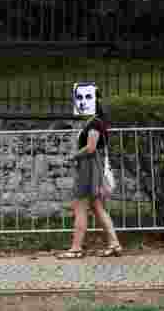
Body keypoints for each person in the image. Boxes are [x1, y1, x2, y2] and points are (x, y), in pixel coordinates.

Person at [58, 101, 123, 259]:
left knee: (80, 206)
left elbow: (91, 147)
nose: (79, 104)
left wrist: (73, 156)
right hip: (92, 167)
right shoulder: (96, 121)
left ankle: (76, 248)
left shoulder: (94, 123)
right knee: (97, 208)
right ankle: (114, 244)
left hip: (89, 168)